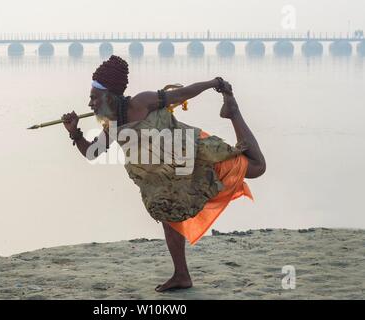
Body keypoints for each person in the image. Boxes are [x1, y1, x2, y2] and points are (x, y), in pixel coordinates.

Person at [62, 55, 266, 292]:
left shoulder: (143, 101)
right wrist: (75, 132)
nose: (90, 104)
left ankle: (233, 112)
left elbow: (183, 94)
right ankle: (181, 275)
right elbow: (92, 153)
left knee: (257, 168)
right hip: (173, 177)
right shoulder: (113, 126)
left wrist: (212, 83)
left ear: (109, 96)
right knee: (168, 215)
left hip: (195, 153)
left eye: (94, 98)